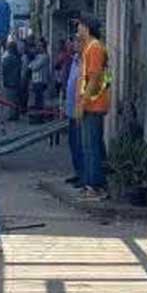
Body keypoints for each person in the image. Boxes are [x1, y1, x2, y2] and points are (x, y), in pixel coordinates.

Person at [76, 16, 111, 200]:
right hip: (91, 103)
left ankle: (95, 186)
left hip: (93, 104)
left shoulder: (95, 48)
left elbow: (95, 77)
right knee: (90, 145)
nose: (78, 28)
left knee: (91, 147)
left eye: (80, 25)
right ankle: (92, 184)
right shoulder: (89, 47)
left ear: (87, 28)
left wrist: (83, 102)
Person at [63, 40, 84, 187]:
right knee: (73, 143)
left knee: (80, 144)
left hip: (80, 110)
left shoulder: (85, 61)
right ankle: (77, 172)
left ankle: (84, 176)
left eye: (76, 41)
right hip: (71, 109)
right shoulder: (74, 61)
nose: (72, 44)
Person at [0, 42, 22, 121]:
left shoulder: (7, 59)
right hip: (16, 81)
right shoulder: (17, 58)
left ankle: (11, 115)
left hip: (9, 81)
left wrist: (3, 81)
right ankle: (15, 114)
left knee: (9, 99)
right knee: (15, 99)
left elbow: (4, 71)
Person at [28, 40, 51, 110]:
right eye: (38, 46)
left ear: (43, 47)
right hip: (36, 80)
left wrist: (32, 64)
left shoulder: (45, 57)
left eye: (40, 46)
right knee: (37, 98)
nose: (38, 48)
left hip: (41, 80)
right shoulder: (37, 56)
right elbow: (30, 65)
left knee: (39, 99)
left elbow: (35, 66)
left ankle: (40, 113)